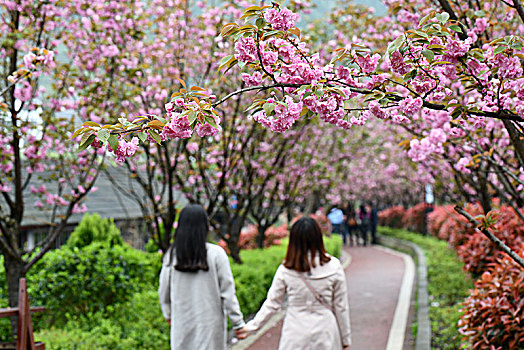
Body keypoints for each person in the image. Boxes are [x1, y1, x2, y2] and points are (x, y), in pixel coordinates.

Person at [236, 217, 351, 349]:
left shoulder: (286, 269)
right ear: (318, 238)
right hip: (325, 331)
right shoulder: (334, 266)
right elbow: (341, 306)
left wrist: (251, 328)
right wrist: (345, 339)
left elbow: (272, 304)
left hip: (295, 332)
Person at [158, 204, 245, 350]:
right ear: (205, 226)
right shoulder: (216, 254)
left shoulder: (172, 257)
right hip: (210, 327)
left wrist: (168, 314)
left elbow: (163, 292)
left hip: (182, 325)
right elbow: (228, 293)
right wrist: (238, 323)